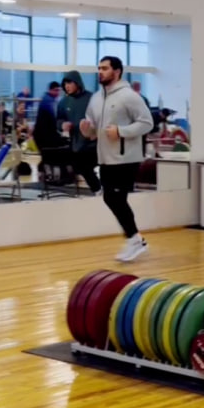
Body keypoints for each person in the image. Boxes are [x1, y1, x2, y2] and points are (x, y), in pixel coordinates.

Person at [81, 56, 154, 262]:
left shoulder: (129, 96)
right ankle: (135, 239)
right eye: (99, 68)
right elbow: (93, 130)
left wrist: (121, 131)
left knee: (115, 198)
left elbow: (147, 123)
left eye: (105, 68)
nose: (100, 72)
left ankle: (134, 239)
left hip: (126, 158)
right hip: (105, 157)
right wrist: (87, 130)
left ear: (117, 71)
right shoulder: (96, 99)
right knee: (110, 198)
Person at [58, 71, 100, 194]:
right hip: (76, 144)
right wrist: (62, 125)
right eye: (65, 84)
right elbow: (59, 119)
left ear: (77, 83)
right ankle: (99, 190)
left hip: (94, 143)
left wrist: (94, 130)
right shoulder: (64, 102)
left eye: (69, 83)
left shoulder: (92, 99)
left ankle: (99, 189)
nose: (67, 86)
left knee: (85, 166)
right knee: (80, 166)